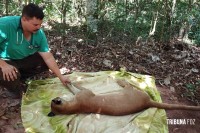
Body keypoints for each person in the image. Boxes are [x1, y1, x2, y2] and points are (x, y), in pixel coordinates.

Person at [0, 3, 70, 97]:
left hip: (23, 59)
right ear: (24, 19)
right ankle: (12, 87)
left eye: (40, 24)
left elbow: (48, 57)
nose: (38, 27)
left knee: (47, 60)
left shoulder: (39, 33)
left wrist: (61, 77)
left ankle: (20, 76)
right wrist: (4, 65)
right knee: (10, 79)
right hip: (5, 60)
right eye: (35, 24)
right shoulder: (5, 25)